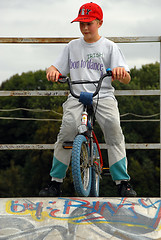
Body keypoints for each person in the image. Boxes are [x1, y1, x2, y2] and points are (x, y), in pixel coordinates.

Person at [39, 2, 137, 197]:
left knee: (113, 129)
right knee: (66, 130)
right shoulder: (72, 46)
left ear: (99, 23)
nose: (84, 28)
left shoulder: (110, 47)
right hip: (77, 96)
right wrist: (52, 72)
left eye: (89, 23)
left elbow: (127, 77)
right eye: (81, 23)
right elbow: (55, 67)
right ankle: (55, 182)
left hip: (103, 95)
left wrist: (120, 73)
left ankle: (122, 182)